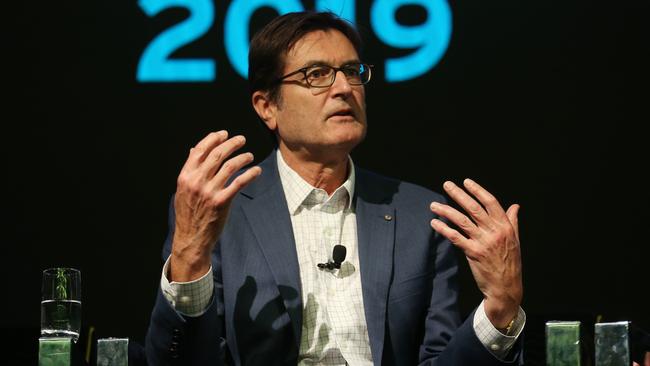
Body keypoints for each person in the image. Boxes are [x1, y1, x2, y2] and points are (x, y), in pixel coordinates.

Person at [145, 11, 525, 365]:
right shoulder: (224, 214)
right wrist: (189, 262)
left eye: (352, 71)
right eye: (316, 74)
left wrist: (500, 310)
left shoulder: (419, 216)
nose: (344, 87)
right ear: (267, 107)